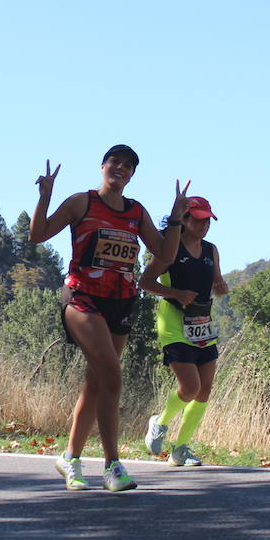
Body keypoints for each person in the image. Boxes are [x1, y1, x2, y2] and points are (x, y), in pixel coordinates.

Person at [29, 145, 187, 491]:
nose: (121, 167)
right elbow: (38, 235)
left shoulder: (135, 211)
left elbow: (164, 253)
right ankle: (113, 466)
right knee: (112, 374)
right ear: (102, 166)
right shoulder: (81, 202)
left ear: (132, 175)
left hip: (121, 302)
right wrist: (45, 196)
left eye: (128, 165)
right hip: (82, 297)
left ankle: (69, 458)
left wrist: (176, 218)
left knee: (96, 381)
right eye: (115, 161)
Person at [140, 196, 228, 467]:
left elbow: (216, 281)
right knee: (190, 387)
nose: (204, 226)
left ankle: (181, 449)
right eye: (198, 219)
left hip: (202, 323)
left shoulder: (211, 250)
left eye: (207, 220)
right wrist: (176, 293)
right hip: (173, 322)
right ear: (185, 219)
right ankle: (160, 422)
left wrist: (220, 286)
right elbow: (145, 281)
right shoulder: (171, 250)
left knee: (204, 390)